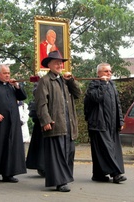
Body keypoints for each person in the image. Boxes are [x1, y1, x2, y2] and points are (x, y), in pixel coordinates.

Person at [35, 50, 81, 192]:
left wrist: (71, 80)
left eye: (61, 63)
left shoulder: (65, 80)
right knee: (57, 153)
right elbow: (41, 103)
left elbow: (78, 94)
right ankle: (60, 182)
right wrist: (46, 120)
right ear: (49, 64)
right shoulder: (45, 81)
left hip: (68, 122)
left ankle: (65, 178)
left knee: (69, 151)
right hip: (55, 123)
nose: (59, 65)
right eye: (56, 63)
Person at [84, 62, 127, 183]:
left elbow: (117, 104)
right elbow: (97, 98)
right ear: (99, 73)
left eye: (110, 71)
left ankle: (98, 174)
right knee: (107, 149)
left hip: (112, 124)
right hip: (98, 124)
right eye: (106, 71)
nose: (109, 73)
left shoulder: (112, 85)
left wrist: (120, 120)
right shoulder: (93, 85)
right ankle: (116, 174)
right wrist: (103, 83)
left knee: (105, 149)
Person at [25, 83, 45, 177]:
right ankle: (41, 166)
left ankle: (43, 166)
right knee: (40, 146)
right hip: (41, 123)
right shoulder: (40, 84)